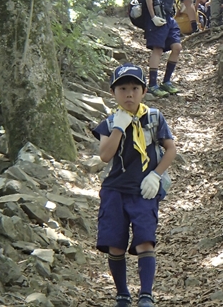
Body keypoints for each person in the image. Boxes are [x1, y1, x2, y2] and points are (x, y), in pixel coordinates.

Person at [92, 63, 177, 307]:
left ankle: (146, 295)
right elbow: (105, 156)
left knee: (145, 240)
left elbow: (170, 149)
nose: (129, 93)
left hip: (144, 190)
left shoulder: (153, 117)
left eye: (134, 88)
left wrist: (156, 175)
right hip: (114, 191)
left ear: (144, 91)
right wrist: (119, 126)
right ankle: (122, 294)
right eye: (123, 88)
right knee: (115, 244)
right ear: (113, 92)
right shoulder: (109, 123)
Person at [144, 0, 189, 98]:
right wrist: (153, 17)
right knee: (157, 49)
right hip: (159, 18)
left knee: (177, 47)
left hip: (170, 19)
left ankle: (167, 81)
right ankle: (152, 84)